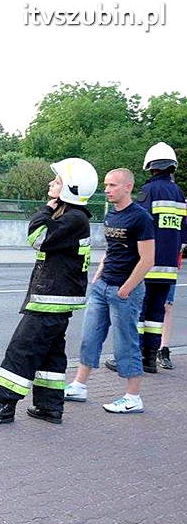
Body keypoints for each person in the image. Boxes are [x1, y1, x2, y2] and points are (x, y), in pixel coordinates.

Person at [0, 158, 97, 425]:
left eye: (57, 181)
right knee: (51, 354)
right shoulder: (74, 218)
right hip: (57, 300)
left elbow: (38, 238)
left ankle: (5, 405)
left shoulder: (73, 219)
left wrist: (45, 208)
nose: (51, 183)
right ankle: (49, 406)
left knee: (22, 349)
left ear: (70, 189)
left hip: (50, 301)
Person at [64, 169, 155, 413]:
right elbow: (113, 249)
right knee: (90, 337)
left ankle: (133, 397)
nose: (107, 189)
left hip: (125, 291)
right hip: (102, 287)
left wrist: (125, 289)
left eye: (113, 185)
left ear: (128, 187)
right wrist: (99, 274)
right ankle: (79, 385)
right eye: (106, 185)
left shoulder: (141, 218)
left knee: (126, 343)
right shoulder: (111, 214)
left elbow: (147, 259)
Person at [104, 143, 186, 374]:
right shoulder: (179, 193)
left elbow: (136, 222)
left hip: (147, 264)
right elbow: (184, 231)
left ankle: (131, 360)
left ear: (150, 166)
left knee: (137, 314)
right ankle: (150, 359)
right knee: (155, 315)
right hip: (169, 266)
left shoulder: (148, 192)